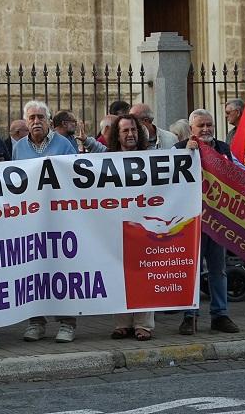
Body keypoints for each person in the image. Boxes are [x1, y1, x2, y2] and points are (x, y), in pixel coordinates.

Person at [13, 100, 78, 343]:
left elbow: (73, 178)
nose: (36, 122)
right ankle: (36, 322)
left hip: (60, 218)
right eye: (32, 118)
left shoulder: (64, 145)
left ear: (49, 121)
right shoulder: (19, 148)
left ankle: (67, 323)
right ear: (26, 122)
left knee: (64, 270)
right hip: (31, 220)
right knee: (33, 269)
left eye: (41, 117)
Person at [174, 109, 241, 335]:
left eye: (209, 125)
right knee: (191, 269)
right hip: (190, 220)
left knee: (218, 270)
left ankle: (220, 315)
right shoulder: (178, 149)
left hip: (217, 220)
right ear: (191, 129)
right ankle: (189, 316)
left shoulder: (223, 148)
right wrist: (186, 154)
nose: (205, 129)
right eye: (200, 125)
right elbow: (172, 181)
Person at [106, 114, 155, 341]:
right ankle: (122, 323)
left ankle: (143, 324)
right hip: (116, 224)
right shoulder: (107, 160)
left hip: (143, 224)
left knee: (143, 273)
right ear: (117, 135)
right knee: (118, 273)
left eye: (133, 130)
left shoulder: (151, 158)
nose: (130, 134)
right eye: (125, 131)